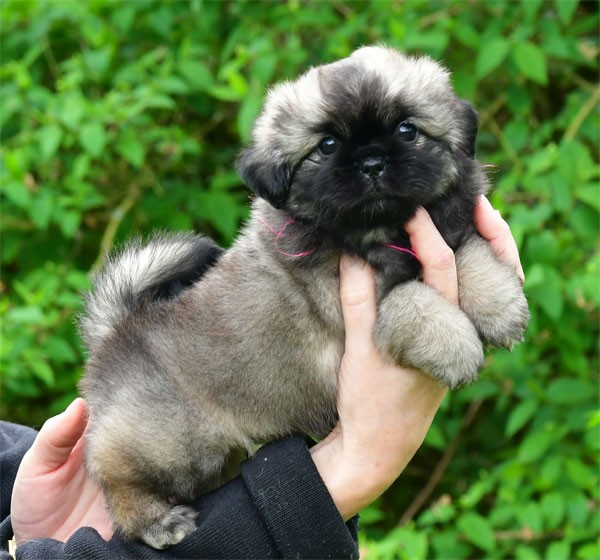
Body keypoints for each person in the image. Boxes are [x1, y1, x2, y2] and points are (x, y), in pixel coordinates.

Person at [0, 196, 523, 559]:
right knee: (166, 450)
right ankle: (134, 496)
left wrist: (33, 541)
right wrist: (346, 468)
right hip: (184, 395)